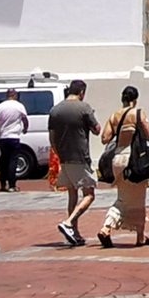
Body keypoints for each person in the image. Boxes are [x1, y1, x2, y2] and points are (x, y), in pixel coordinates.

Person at [93, 86, 149, 247]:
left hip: (117, 158)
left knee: (123, 197)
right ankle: (138, 236)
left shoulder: (114, 116)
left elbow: (105, 138)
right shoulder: (138, 113)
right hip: (133, 159)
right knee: (139, 200)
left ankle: (108, 227)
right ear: (135, 99)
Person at [44, 80, 99, 247]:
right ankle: (68, 223)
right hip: (80, 157)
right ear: (82, 92)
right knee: (89, 194)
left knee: (72, 195)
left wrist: (59, 154)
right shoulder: (84, 108)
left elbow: (52, 138)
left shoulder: (55, 110)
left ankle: (74, 233)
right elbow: (97, 130)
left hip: (64, 157)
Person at [0, 89, 32, 192]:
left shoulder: (0, 106)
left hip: (3, 137)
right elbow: (25, 119)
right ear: (15, 95)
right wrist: (25, 128)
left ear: (7, 95)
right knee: (13, 161)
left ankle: (2, 184)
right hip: (14, 137)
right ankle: (12, 185)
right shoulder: (19, 106)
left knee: (4, 160)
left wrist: (1, 127)